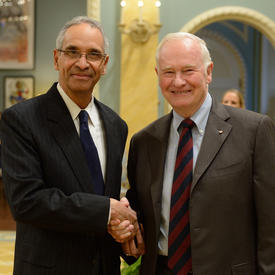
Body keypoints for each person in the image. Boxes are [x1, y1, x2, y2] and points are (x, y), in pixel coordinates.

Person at [123, 32, 275, 274]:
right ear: (157, 75)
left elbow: (270, 225)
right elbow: (141, 216)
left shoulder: (254, 131)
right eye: (169, 72)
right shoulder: (143, 142)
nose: (178, 81)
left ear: (209, 72)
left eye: (188, 70)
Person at [1, 16, 137, 275]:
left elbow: (102, 193)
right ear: (56, 59)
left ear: (104, 64)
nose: (82, 63)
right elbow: (26, 201)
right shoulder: (22, 119)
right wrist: (107, 211)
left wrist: (124, 229)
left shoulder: (116, 125)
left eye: (94, 55)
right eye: (72, 52)